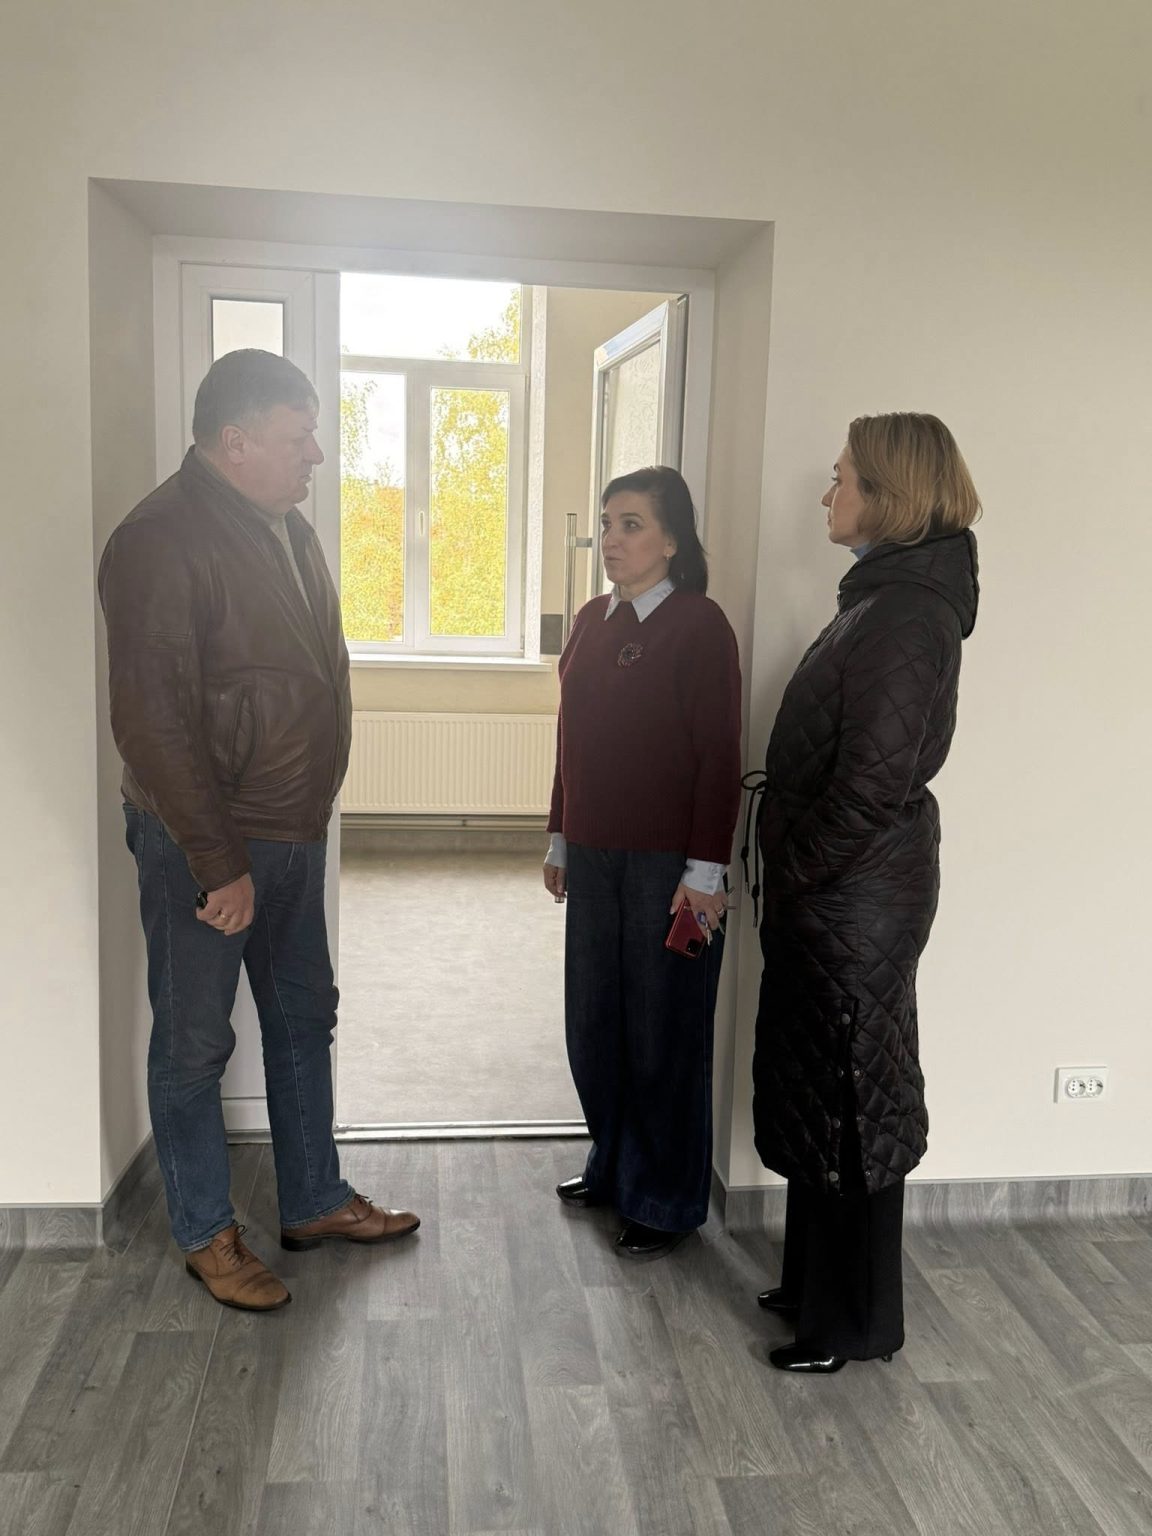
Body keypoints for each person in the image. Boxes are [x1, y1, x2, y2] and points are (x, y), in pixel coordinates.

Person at [99, 348, 419, 1312]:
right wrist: (217, 861)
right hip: (208, 844)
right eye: (299, 436)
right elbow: (151, 722)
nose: (316, 454)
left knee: (302, 1015)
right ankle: (206, 1233)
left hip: (290, 830)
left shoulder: (288, 527)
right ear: (234, 442)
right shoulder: (159, 539)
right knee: (195, 1044)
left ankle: (314, 1199)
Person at [749, 412, 980, 1371]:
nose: (826, 493)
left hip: (852, 899)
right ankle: (815, 1289)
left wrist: (796, 871)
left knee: (850, 1101)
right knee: (827, 1089)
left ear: (889, 494)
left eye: (840, 477)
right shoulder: (884, 599)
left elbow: (869, 789)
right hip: (844, 897)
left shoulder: (907, 614)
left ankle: (852, 1325)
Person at [543, 467, 742, 1259]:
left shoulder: (699, 626)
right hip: (593, 856)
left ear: (672, 541)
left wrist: (704, 873)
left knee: (663, 1030)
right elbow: (572, 739)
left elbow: (719, 758)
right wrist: (560, 835)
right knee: (594, 1022)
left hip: (669, 866)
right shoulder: (592, 620)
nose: (613, 540)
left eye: (632, 524)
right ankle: (614, 1164)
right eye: (607, 523)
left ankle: (665, 1198)